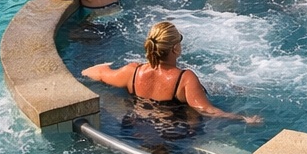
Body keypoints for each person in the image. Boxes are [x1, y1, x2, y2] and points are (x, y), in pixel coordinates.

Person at [86, 21, 261, 123]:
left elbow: (100, 74)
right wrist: (242, 118)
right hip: (173, 132)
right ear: (176, 48)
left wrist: (90, 70)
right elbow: (207, 110)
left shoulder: (132, 72)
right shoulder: (185, 79)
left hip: (137, 126)